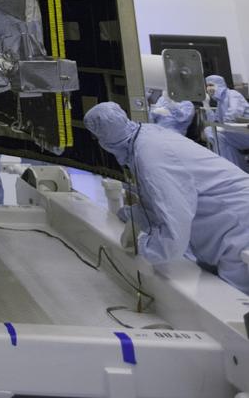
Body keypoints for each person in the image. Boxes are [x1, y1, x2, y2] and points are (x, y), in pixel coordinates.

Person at [84, 101, 249, 293]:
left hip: (238, 225)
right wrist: (133, 216)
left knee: (234, 305)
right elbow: (158, 200)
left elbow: (175, 228)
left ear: (104, 139)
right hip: (224, 224)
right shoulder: (146, 137)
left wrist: (144, 248)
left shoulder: (150, 156)